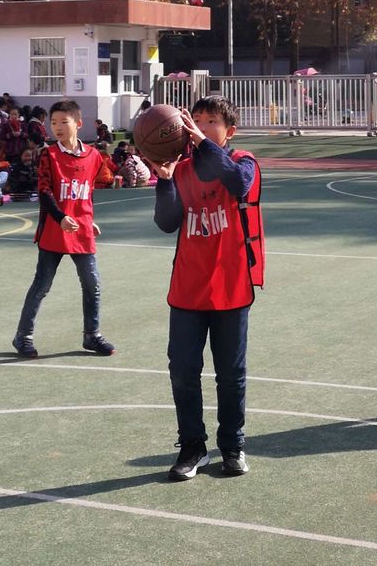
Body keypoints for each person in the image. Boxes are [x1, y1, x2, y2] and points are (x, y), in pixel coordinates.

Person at [151, 95, 265, 482]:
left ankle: (232, 446)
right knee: (183, 371)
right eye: (194, 119)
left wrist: (202, 142)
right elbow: (167, 222)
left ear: (229, 131)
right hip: (187, 289)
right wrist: (163, 182)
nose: (197, 124)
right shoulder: (180, 170)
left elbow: (239, 186)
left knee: (230, 375)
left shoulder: (242, 161)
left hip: (231, 288)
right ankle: (192, 447)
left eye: (210, 120)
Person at [12, 99, 115, 359]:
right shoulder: (49, 155)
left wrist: (87, 218)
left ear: (78, 124)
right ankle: (23, 336)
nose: (57, 127)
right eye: (53, 122)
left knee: (93, 285)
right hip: (55, 230)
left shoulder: (93, 156)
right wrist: (60, 217)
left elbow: (91, 189)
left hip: (81, 230)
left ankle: (92, 335)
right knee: (41, 286)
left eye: (63, 122)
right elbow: (45, 192)